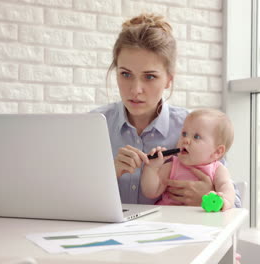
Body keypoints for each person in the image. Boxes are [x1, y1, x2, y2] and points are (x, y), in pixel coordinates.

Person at [91, 13, 241, 207]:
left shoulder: (196, 129)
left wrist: (207, 195)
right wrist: (108, 173)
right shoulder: (93, 126)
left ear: (169, 79)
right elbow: (69, 197)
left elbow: (236, 205)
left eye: (150, 77)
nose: (136, 89)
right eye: (126, 74)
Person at [141, 109, 235, 211]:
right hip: (168, 219)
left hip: (199, 223)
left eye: (196, 137)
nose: (186, 140)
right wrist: (152, 167)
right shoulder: (173, 165)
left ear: (217, 152)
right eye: (184, 134)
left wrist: (224, 201)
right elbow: (151, 191)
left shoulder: (217, 170)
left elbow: (226, 187)